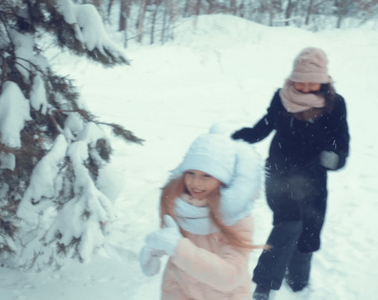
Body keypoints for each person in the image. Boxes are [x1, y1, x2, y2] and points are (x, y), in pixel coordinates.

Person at [231, 47, 350, 300]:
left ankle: (298, 281)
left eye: (311, 82)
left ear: (324, 80)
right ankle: (264, 285)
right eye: (300, 81)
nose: (305, 87)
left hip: (314, 177)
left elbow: (341, 140)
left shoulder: (336, 104)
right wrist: (240, 137)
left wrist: (335, 157)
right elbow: (265, 125)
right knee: (289, 223)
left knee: (309, 230)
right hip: (280, 172)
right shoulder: (282, 97)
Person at [139, 127, 264, 300]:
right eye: (191, 173)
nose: (195, 183)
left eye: (207, 176)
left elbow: (231, 276)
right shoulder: (176, 203)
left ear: (222, 180)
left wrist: (178, 247)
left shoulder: (235, 218)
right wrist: (157, 248)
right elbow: (172, 242)